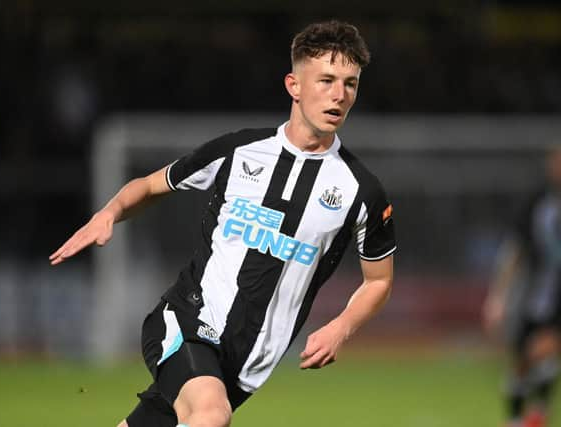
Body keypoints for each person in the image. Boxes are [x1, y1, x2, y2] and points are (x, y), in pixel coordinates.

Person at [50, 20, 396, 427]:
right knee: (212, 415)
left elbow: (379, 280)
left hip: (246, 366)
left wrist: (341, 327)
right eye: (326, 80)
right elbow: (149, 185)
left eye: (350, 84)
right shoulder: (238, 151)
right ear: (294, 85)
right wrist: (109, 213)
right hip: (187, 321)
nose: (339, 94)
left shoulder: (361, 191)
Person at [484, 147, 561, 427]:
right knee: (523, 362)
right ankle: (518, 418)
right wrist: (498, 297)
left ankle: (537, 412)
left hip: (556, 301)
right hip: (532, 296)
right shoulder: (537, 203)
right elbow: (514, 251)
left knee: (545, 351)